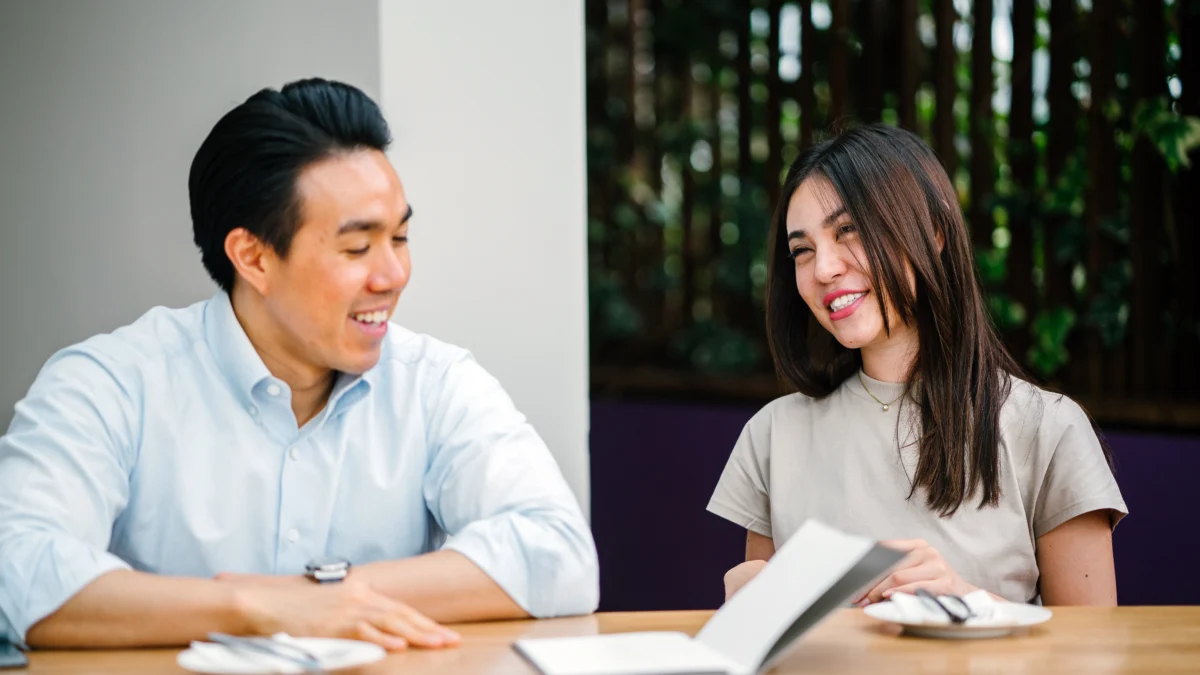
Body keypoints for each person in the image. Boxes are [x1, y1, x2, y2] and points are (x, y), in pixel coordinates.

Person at [0, 78, 598, 650]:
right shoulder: (109, 384)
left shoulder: (434, 383)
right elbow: (17, 568)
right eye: (357, 247)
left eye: (400, 238)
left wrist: (328, 596)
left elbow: (560, 553)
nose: (392, 276)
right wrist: (252, 609)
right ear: (253, 257)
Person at [708, 124, 1126, 606]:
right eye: (802, 251)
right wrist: (749, 615)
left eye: (849, 230)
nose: (823, 269)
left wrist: (967, 603)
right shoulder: (772, 437)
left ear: (934, 232)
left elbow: (1094, 654)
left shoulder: (1048, 429)